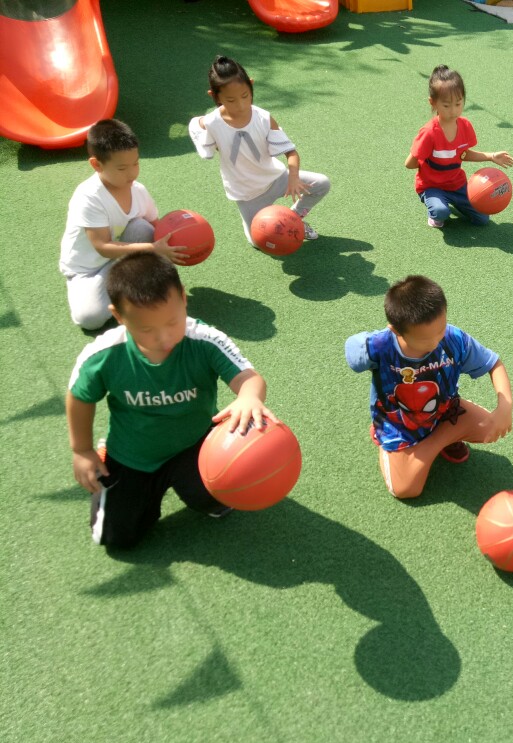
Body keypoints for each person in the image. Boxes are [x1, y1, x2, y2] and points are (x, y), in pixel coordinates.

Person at [66, 252, 275, 549]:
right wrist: (82, 450)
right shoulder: (104, 354)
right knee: (116, 539)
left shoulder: (204, 338)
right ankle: (105, 457)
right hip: (133, 454)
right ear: (119, 316)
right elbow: (79, 397)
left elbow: (248, 378)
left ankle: (198, 488)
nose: (163, 338)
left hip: (196, 445)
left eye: (172, 322)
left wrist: (249, 396)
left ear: (183, 299)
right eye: (146, 329)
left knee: (222, 499)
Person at [345, 275, 513, 499]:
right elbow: (352, 350)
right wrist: (371, 344)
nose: (436, 342)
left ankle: (439, 440)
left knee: (490, 428)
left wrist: (505, 407)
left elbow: (494, 364)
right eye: (425, 340)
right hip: (399, 426)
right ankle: (437, 440)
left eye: (441, 330)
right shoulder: (379, 346)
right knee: (406, 490)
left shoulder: (453, 338)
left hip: (443, 411)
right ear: (396, 331)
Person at [188, 55, 330, 246]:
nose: (240, 105)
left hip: (276, 179)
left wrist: (294, 177)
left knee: (322, 184)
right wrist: (198, 128)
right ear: (214, 96)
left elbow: (291, 153)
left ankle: (293, 220)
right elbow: (195, 125)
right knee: (258, 241)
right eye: (230, 100)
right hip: (247, 194)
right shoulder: (211, 123)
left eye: (245, 96)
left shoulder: (263, 117)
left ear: (251, 85)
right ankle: (272, 223)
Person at [59, 119, 187, 330]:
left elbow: (157, 228)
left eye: (136, 163)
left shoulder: (138, 190)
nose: (132, 173)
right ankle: (126, 286)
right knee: (89, 319)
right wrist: (153, 249)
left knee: (141, 228)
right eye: (122, 168)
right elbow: (102, 247)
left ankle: (132, 283)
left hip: (123, 255)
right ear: (97, 165)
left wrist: (176, 247)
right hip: (88, 269)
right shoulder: (89, 197)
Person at [405, 65, 513, 228]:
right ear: (433, 103)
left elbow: (463, 154)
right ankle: (435, 208)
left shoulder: (465, 126)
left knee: (482, 219)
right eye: (446, 105)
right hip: (431, 186)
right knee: (441, 212)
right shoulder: (429, 133)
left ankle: (451, 201)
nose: (453, 110)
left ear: (464, 99)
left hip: (456, 185)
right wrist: (427, 161)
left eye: (458, 103)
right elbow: (409, 164)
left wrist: (491, 156)